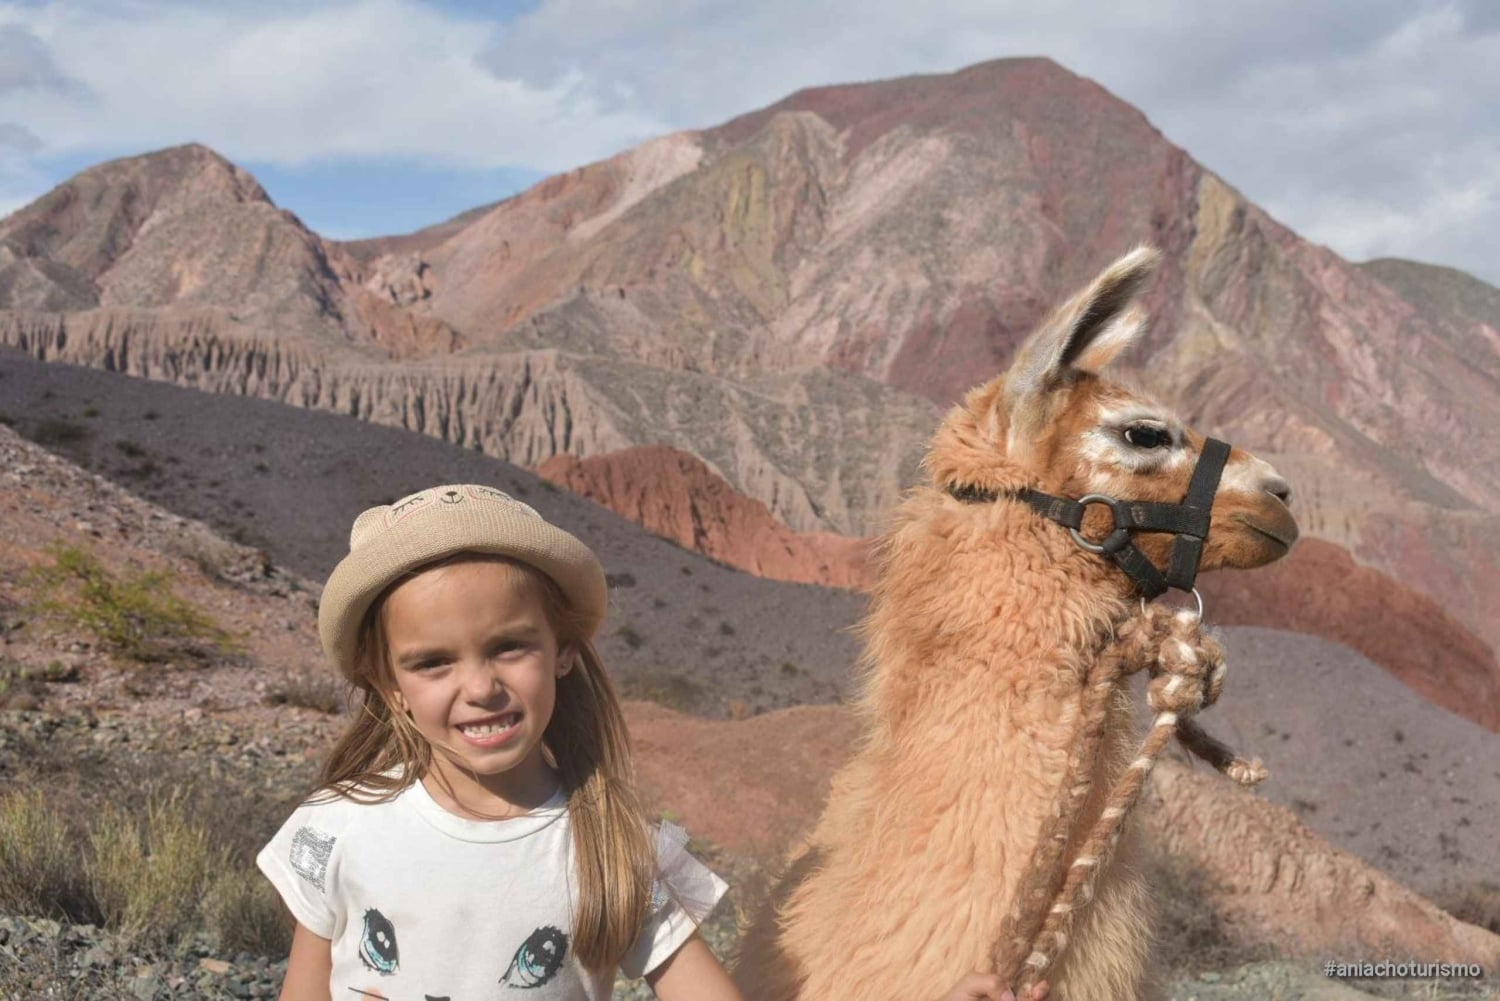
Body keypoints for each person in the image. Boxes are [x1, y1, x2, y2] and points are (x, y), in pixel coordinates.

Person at [259, 483, 1047, 1001]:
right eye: (433, 662)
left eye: (509, 646)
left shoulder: (609, 848)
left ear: (562, 649)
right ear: (389, 682)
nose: (480, 686)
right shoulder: (344, 827)